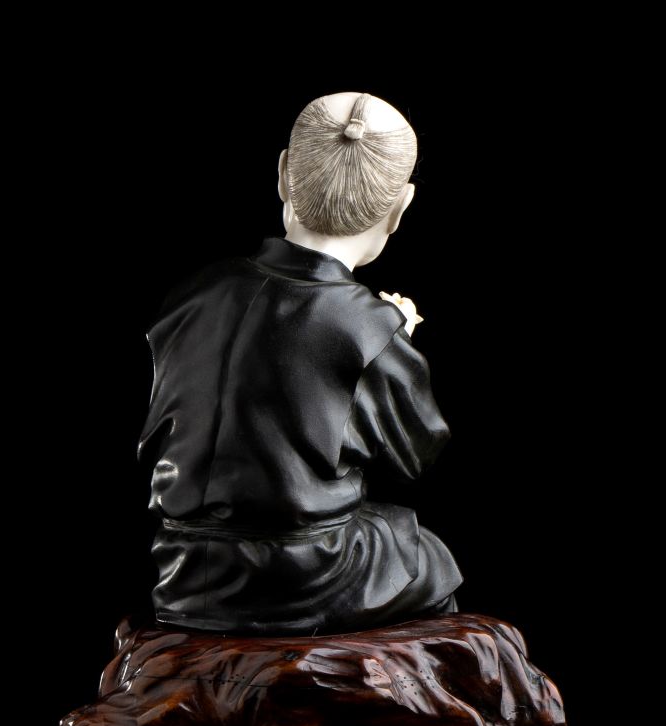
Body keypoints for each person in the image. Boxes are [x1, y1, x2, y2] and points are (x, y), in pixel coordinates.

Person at [138, 92, 463, 635]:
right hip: (302, 572)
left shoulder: (192, 293)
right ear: (400, 207)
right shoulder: (368, 324)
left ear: (284, 174)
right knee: (424, 557)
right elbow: (414, 455)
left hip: (180, 568)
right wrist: (395, 339)